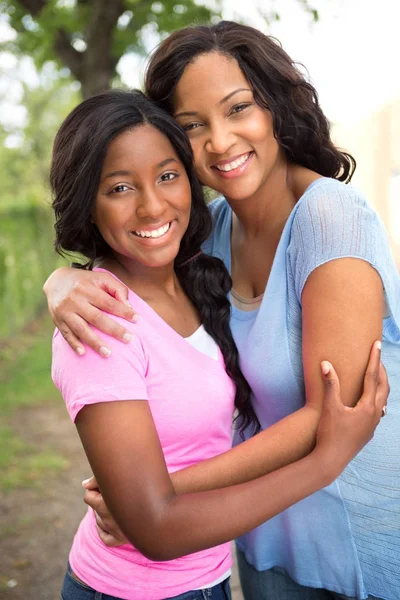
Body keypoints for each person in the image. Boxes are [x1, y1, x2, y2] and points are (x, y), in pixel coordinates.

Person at [44, 22, 400, 600]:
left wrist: (158, 495)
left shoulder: (330, 217)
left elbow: (335, 411)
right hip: (261, 537)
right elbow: (134, 259)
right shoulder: (211, 233)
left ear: (276, 107)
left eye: (239, 109)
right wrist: (62, 280)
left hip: (355, 534)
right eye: (192, 125)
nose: (220, 141)